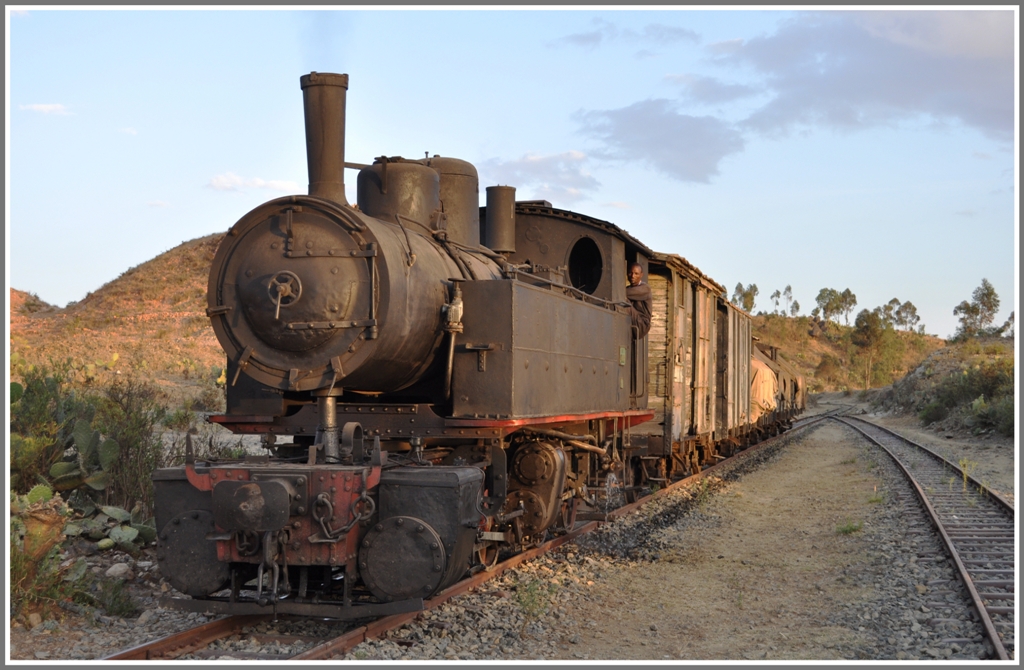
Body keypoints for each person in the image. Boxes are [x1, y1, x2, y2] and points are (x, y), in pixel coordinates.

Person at [626, 262, 652, 339]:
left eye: (636, 273)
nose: (633, 276)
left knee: (622, 301)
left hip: (642, 324)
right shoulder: (628, 289)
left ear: (641, 275)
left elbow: (621, 293)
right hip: (634, 320)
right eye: (631, 273)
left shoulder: (645, 288)